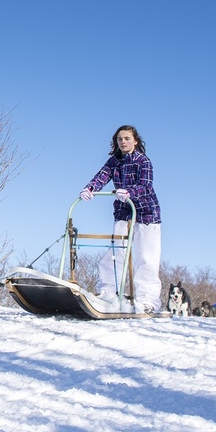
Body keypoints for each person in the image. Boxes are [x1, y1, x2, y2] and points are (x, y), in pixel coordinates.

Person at [79, 125, 162, 313]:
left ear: (135, 141)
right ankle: (108, 293)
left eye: (126, 138)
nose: (123, 142)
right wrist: (90, 189)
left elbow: (146, 185)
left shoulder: (143, 161)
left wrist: (130, 192)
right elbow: (102, 176)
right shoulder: (114, 161)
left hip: (146, 213)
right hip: (124, 212)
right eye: (119, 139)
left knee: (145, 257)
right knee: (115, 253)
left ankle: (147, 300)